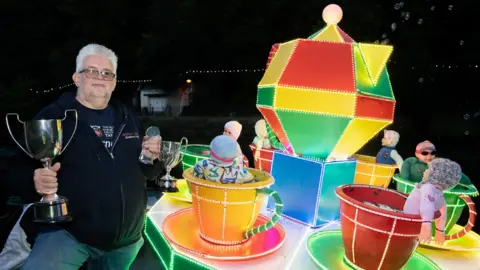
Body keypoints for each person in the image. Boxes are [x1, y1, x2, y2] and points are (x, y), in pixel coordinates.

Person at [8, 44, 162, 270]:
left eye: (106, 73)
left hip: (126, 241)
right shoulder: (53, 116)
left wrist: (151, 158)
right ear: (76, 78)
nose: (100, 77)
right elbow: (14, 170)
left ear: (114, 82)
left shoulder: (128, 117)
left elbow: (148, 171)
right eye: (91, 71)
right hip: (68, 236)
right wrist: (33, 181)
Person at [403, 158, 462, 245]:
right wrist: (440, 230)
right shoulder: (439, 194)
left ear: (435, 175)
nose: (425, 171)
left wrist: (426, 224)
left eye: (429, 169)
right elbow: (443, 213)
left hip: (408, 222)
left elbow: (427, 206)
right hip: (415, 223)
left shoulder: (428, 187)